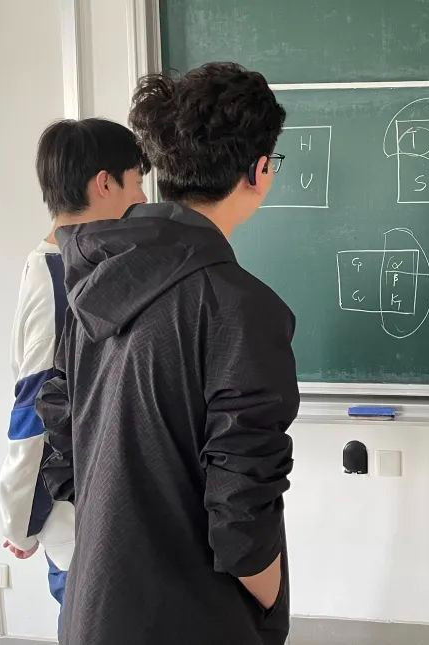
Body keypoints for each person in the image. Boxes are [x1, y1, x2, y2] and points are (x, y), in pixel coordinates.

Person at [35, 62, 297, 645]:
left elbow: (61, 438)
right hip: (194, 613)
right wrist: (269, 597)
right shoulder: (241, 307)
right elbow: (241, 506)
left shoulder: (94, 282)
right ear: (259, 171)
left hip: (96, 604)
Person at [0, 118, 148, 609]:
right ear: (104, 184)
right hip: (81, 526)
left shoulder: (79, 265)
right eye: (136, 182)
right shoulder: (56, 278)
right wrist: (20, 520)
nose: (143, 198)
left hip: (106, 515)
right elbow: (35, 411)